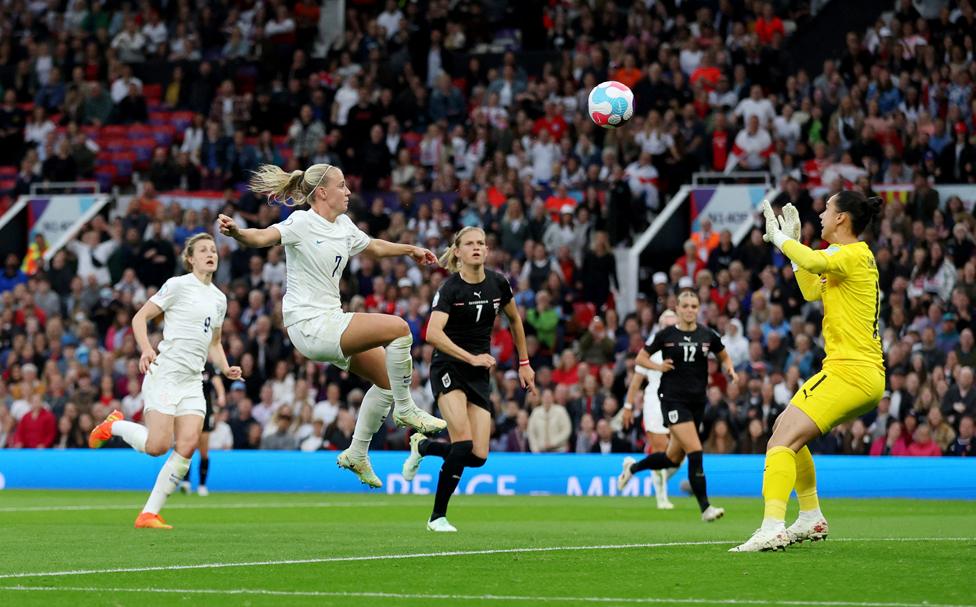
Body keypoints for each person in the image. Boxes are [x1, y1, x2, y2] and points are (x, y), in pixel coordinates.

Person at [217, 163, 446, 488]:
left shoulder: (343, 224)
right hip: (308, 323)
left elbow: (374, 246)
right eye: (342, 185)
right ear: (322, 192)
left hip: (330, 320)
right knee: (399, 329)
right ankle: (407, 410)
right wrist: (238, 232)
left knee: (384, 380)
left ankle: (357, 453)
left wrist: (409, 250)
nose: (348, 191)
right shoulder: (301, 222)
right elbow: (263, 237)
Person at [731, 193, 884, 552]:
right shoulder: (848, 259)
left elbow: (813, 261)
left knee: (779, 443)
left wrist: (783, 240)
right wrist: (796, 250)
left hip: (851, 371)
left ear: (842, 218)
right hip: (854, 371)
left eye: (827, 209)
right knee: (784, 430)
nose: (820, 214)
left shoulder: (850, 254)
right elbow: (812, 290)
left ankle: (772, 526)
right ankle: (810, 516)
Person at [89, 234, 242, 529]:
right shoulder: (177, 285)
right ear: (190, 258)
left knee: (187, 445)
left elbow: (215, 341)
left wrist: (225, 367)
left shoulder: (219, 299)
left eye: (213, 250)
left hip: (193, 381)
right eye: (203, 250)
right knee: (157, 446)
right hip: (166, 374)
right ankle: (113, 425)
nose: (210, 254)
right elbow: (139, 318)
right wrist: (146, 348)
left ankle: (149, 513)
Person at [400, 226, 536, 531]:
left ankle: (423, 447)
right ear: (458, 252)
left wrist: (524, 363)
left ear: (487, 251)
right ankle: (437, 517)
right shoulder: (450, 289)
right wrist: (471, 356)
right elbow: (432, 334)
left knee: (477, 457)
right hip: (448, 367)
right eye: (470, 244)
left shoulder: (499, 284)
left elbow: (515, 319)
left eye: (482, 243)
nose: (477, 248)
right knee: (461, 443)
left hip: (478, 373)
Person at [617, 290, 735, 522]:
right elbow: (640, 358)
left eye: (694, 306)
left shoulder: (707, 335)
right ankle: (705, 508)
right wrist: (658, 367)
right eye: (686, 306)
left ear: (698, 308)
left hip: (697, 402)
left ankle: (632, 468)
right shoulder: (666, 335)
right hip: (673, 400)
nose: (690, 309)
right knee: (695, 450)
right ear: (678, 309)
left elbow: (723, 354)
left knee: (672, 459)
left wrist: (729, 368)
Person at [621, 309, 681, 509]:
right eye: (667, 325)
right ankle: (661, 498)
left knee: (678, 455)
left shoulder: (683, 346)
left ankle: (633, 467)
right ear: (661, 326)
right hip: (655, 402)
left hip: (677, 401)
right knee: (660, 448)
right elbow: (636, 381)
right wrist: (628, 406)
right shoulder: (651, 348)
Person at [179, 362, 224, 496]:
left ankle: (202, 485)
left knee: (203, 450)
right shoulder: (186, 363)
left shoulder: (208, 366)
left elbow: (216, 380)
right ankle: (186, 481)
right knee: (188, 447)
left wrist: (221, 395)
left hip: (206, 411)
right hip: (188, 410)